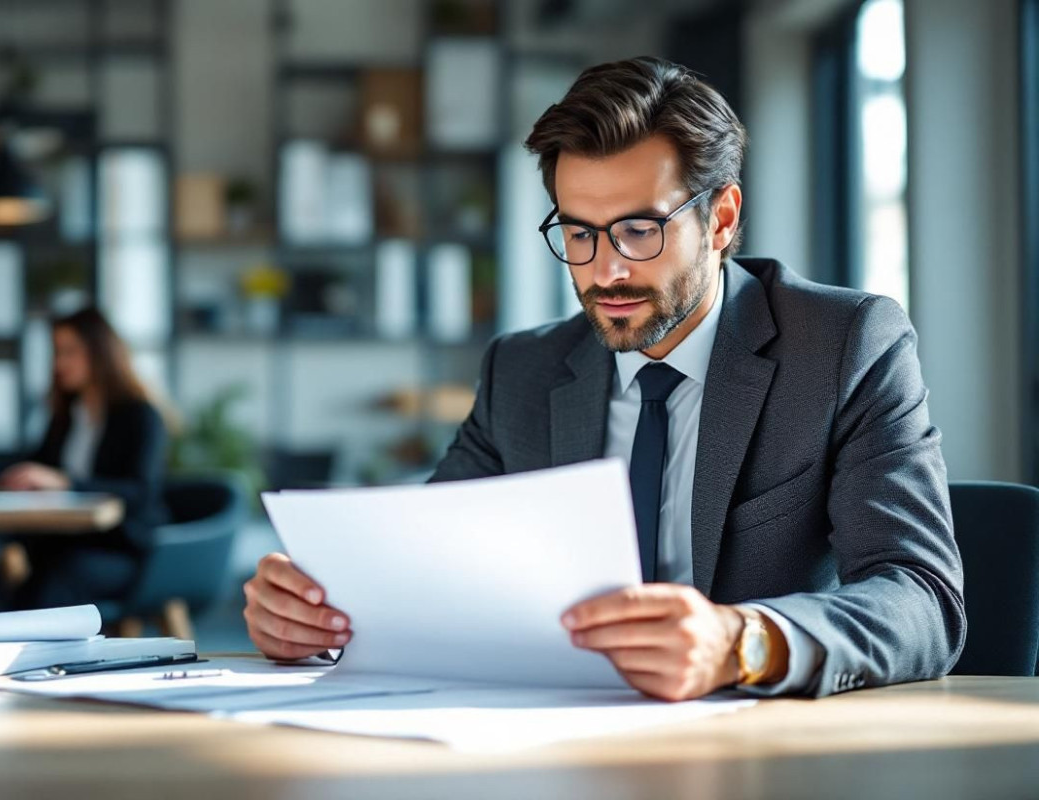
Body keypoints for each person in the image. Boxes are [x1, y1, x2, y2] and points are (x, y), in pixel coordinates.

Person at [241, 56, 965, 701]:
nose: (606, 270)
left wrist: (741, 641)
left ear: (721, 218)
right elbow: (427, 575)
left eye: (639, 230)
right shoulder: (520, 373)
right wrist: (319, 615)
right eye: (579, 233)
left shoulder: (843, 346)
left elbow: (924, 598)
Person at [0, 308, 168, 611]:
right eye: (56, 353)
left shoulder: (140, 416)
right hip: (65, 543)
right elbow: (37, 464)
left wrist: (65, 482)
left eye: (69, 352)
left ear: (100, 353)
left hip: (121, 550)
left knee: (51, 581)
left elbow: (141, 491)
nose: (59, 363)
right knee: (19, 581)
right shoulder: (65, 416)